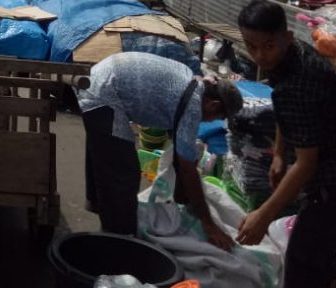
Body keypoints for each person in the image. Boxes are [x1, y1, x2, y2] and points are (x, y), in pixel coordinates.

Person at [235, 0, 336, 287]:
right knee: (320, 254)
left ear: (287, 37)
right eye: (251, 45)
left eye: (269, 45)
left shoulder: (298, 83)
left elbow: (306, 165)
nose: (260, 55)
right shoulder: (295, 57)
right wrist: (278, 154)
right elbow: (289, 114)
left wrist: (263, 215)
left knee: (300, 262)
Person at [76, 52, 241, 247]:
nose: (211, 121)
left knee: (106, 152)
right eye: (216, 116)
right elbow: (187, 171)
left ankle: (104, 208)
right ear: (213, 104)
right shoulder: (193, 107)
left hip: (102, 77)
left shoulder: (195, 83)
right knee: (123, 173)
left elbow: (181, 162)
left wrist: (183, 197)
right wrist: (209, 224)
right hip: (103, 92)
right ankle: (119, 240)